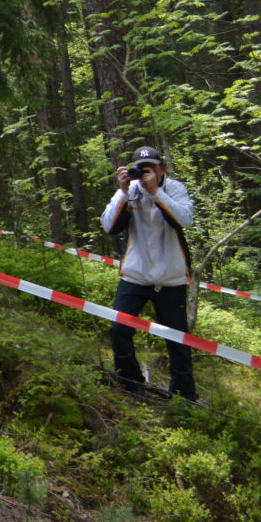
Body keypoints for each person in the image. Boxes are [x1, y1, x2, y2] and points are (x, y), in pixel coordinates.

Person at [100, 145, 196, 401]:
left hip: (170, 278)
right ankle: (131, 382)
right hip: (136, 276)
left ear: (162, 169)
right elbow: (109, 225)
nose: (145, 173)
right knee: (119, 329)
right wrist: (122, 193)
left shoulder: (174, 189)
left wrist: (156, 193)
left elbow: (184, 220)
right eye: (141, 169)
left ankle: (183, 396)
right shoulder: (129, 191)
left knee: (177, 339)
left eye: (151, 168)